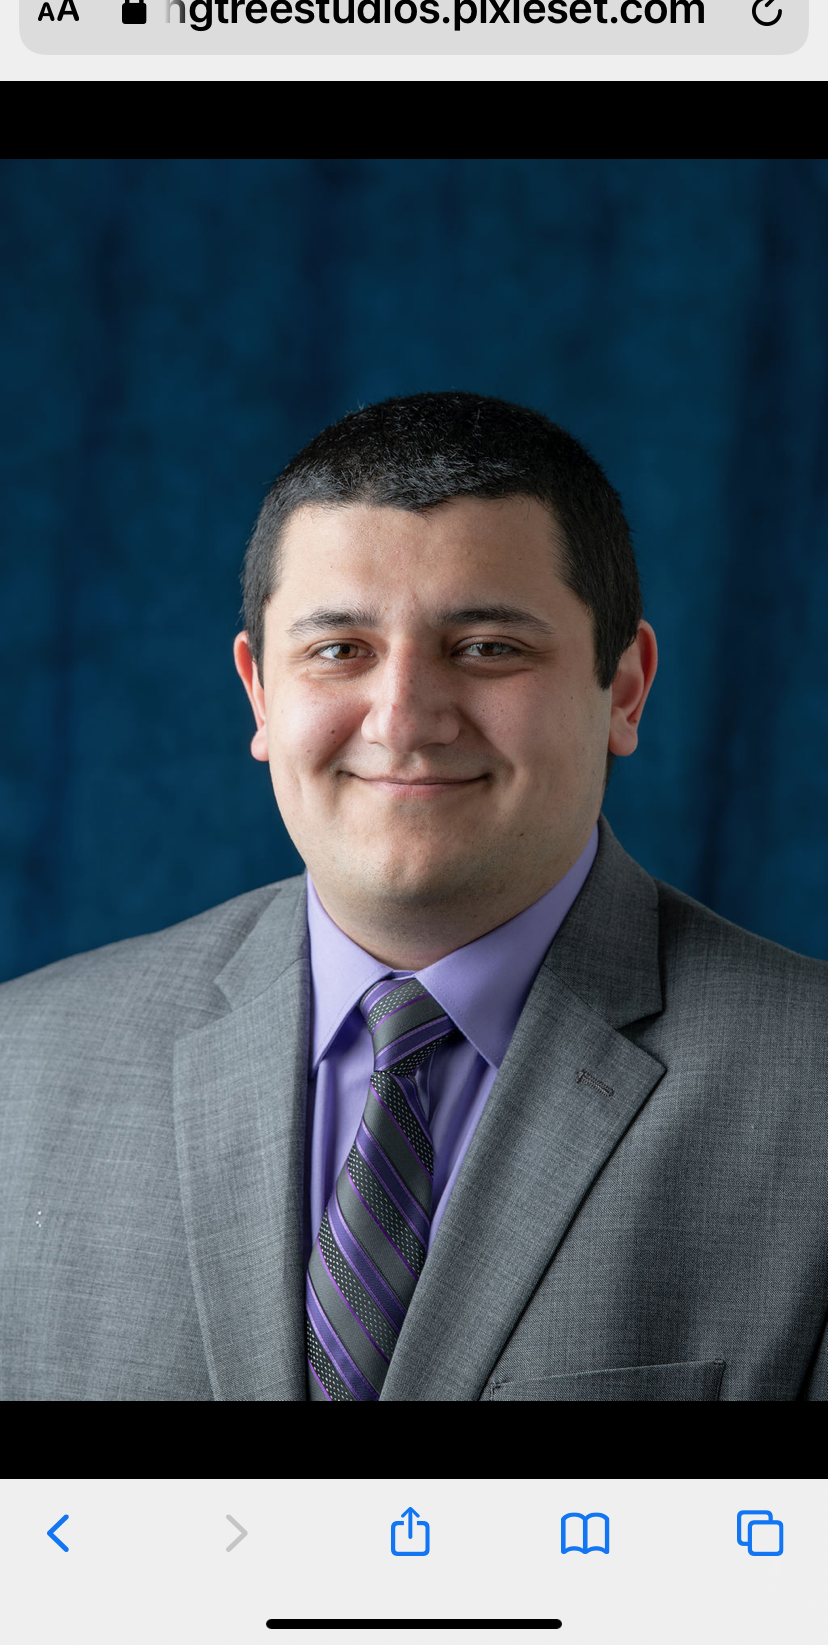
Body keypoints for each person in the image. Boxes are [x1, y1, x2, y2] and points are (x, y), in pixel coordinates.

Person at [1, 391, 826, 1402]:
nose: (404, 719)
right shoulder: (22, 1075)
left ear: (625, 688)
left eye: (487, 647)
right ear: (261, 692)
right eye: (339, 649)